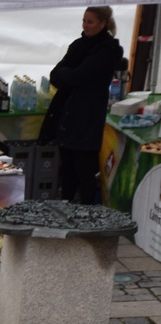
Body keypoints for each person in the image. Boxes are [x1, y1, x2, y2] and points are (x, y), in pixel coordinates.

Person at [47, 7, 122, 204]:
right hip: (69, 115)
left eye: (90, 22)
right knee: (68, 168)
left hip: (87, 117)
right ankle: (66, 205)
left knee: (84, 170)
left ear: (102, 23)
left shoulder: (106, 51)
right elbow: (55, 75)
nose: (85, 25)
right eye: (84, 21)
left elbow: (76, 76)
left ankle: (87, 214)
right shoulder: (78, 45)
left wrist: (66, 75)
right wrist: (67, 75)